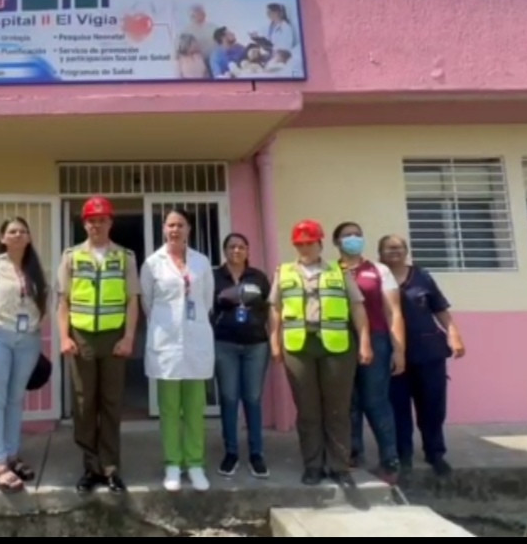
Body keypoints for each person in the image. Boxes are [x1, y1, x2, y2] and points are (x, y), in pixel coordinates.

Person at [268, 219, 372, 488]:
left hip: (337, 346)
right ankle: (313, 465)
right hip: (299, 346)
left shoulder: (339, 271)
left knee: (338, 409)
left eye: (310, 243)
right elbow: (276, 309)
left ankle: (339, 466)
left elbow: (357, 307)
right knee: (308, 410)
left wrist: (365, 342)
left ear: (320, 244)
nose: (305, 248)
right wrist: (274, 342)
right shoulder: (284, 271)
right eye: (300, 244)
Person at [57, 196, 140, 493]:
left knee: (111, 403)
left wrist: (128, 337)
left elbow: (132, 301)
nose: (96, 225)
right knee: (84, 403)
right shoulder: (71, 256)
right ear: (84, 224)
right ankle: (91, 467)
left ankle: (111, 467)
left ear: (110, 222)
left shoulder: (125, 256)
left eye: (102, 219)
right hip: (82, 337)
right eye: (91, 220)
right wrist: (64, 337)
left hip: (113, 337)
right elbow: (63, 301)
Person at [0, 217, 49, 492]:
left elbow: (43, 300)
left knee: (16, 398)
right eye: (12, 231)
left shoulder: (34, 268)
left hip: (27, 338)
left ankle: (12, 455)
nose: (18, 235)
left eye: (23, 231)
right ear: (3, 237)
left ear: (29, 237)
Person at [378, 234, 466, 477]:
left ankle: (435, 452)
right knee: (397, 407)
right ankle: (403, 454)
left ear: (406, 251)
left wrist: (454, 334)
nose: (394, 251)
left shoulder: (422, 277)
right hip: (392, 354)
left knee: (432, 405)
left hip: (428, 352)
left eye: (399, 247)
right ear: (380, 253)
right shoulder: (377, 278)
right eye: (389, 248)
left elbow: (440, 308)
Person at [141, 208, 215, 492]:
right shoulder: (152, 263)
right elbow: (148, 303)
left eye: (180, 225)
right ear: (163, 229)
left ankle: (195, 463)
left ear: (189, 229)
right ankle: (172, 463)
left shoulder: (201, 262)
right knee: (169, 408)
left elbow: (206, 300)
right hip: (167, 344)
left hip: (196, 342)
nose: (175, 230)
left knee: (195, 407)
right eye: (170, 225)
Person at [332, 221, 406, 485]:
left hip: (376, 339)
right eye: (347, 235)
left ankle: (390, 460)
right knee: (348, 401)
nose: (353, 239)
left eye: (357, 235)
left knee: (375, 401)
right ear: (337, 242)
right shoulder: (330, 271)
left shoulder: (378, 270)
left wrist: (399, 350)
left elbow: (393, 312)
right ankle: (353, 454)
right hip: (340, 341)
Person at [211, 232, 272, 479]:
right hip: (224, 345)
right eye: (231, 247)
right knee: (228, 398)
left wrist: (271, 336)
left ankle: (256, 454)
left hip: (256, 346)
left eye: (241, 247)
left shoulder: (258, 277)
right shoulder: (214, 277)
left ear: (247, 250)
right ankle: (231, 453)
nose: (236, 250)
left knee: (253, 399)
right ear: (224, 250)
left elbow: (270, 309)